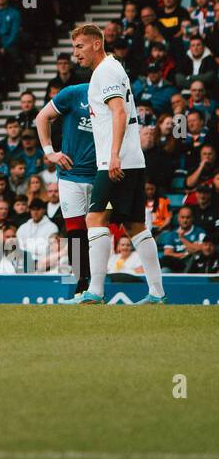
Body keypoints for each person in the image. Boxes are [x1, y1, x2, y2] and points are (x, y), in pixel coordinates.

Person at [69, 23, 166, 305]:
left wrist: (112, 155)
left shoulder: (106, 71)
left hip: (117, 159)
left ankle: (95, 292)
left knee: (95, 218)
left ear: (96, 44)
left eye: (80, 47)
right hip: (130, 157)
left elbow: (119, 113)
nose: (76, 54)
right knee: (134, 224)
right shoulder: (111, 69)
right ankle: (157, 293)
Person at [34, 82, 97, 293]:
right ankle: (81, 285)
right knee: (76, 231)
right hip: (71, 175)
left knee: (100, 230)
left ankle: (97, 285)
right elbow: (42, 117)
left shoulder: (119, 95)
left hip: (103, 174)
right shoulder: (75, 92)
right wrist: (50, 152)